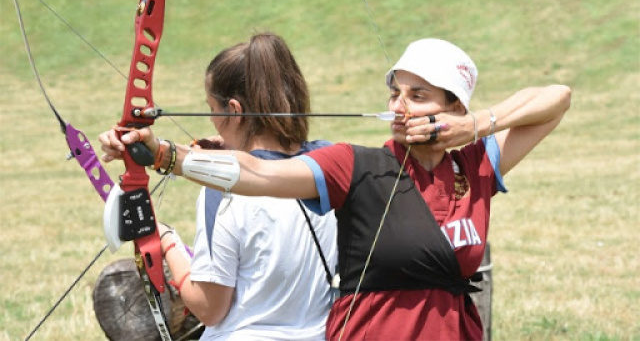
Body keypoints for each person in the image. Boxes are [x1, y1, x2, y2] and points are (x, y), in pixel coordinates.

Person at [100, 38, 572, 340]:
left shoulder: (475, 166)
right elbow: (257, 173)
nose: (400, 107)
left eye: (418, 95)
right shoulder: (357, 166)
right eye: (395, 94)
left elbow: (556, 99)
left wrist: (476, 126)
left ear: (453, 106)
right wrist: (163, 155)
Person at [128, 32, 338, 340]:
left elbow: (210, 308)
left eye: (212, 108)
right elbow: (271, 160)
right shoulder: (331, 165)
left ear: (235, 111)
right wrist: (229, 150)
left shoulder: (221, 192)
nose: (212, 119)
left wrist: (168, 242)